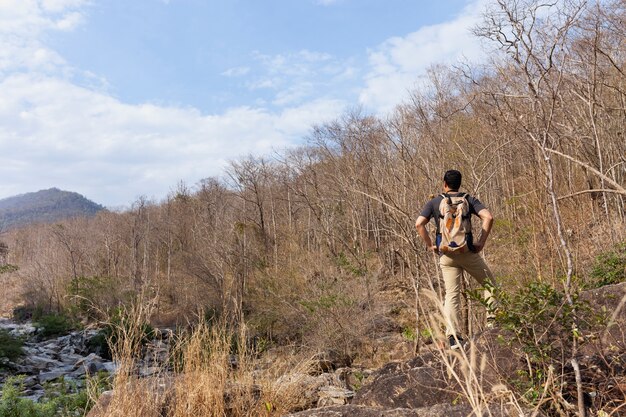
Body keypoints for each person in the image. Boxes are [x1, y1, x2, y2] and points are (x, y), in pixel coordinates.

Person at [415, 170, 496, 349]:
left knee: (452, 295)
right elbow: (488, 217)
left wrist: (430, 245)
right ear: (459, 183)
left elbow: (419, 223)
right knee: (490, 285)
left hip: (446, 255)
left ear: (444, 183)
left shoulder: (435, 202)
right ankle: (492, 326)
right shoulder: (469, 199)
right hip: (467, 253)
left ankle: (453, 337)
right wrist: (481, 241)